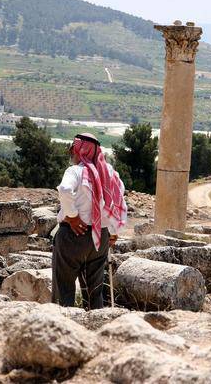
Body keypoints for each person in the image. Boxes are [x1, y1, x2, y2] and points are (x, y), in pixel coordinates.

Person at [53, 132, 127, 309]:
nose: (71, 153)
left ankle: (63, 327)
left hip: (73, 235)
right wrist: (114, 232)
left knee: (64, 289)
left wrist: (72, 216)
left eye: (73, 149)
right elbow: (118, 201)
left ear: (78, 150)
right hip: (100, 237)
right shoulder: (110, 174)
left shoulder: (75, 171)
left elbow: (64, 190)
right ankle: (94, 328)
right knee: (94, 291)